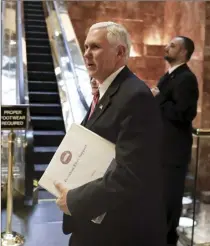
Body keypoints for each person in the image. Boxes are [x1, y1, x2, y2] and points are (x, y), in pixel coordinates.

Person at [54, 22, 166, 246]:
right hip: (96, 223)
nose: (86, 54)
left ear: (120, 52)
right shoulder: (106, 91)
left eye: (95, 47)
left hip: (118, 230)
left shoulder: (135, 96)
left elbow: (130, 174)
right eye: (85, 47)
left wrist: (75, 200)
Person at [151, 36, 199, 246]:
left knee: (169, 203)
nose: (166, 47)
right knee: (159, 202)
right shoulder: (169, 76)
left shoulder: (186, 78)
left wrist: (158, 97)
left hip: (173, 153)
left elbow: (183, 114)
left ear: (183, 52)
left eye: (172, 45)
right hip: (161, 150)